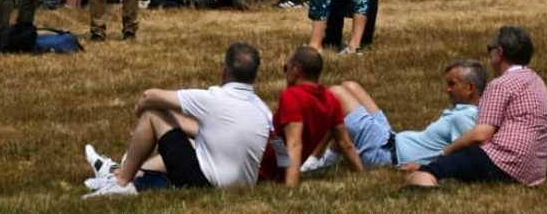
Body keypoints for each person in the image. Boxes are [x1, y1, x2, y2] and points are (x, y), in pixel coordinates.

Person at [82, 43, 272, 197]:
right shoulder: (264, 111)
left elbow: (150, 96)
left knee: (153, 114)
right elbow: (206, 132)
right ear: (254, 76)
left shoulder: (214, 98)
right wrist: (174, 122)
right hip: (239, 188)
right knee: (191, 141)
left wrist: (140, 110)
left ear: (225, 70)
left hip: (205, 184)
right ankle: (121, 173)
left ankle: (121, 182)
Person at [405, 26, 547, 189]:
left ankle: (430, 188)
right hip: (533, 174)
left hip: (502, 163)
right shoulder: (539, 83)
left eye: (490, 49)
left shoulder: (500, 85)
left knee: (422, 175)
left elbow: (480, 135)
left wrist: (443, 154)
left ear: (499, 53)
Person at [317, 60, 484, 170]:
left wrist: (422, 168)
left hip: (384, 154)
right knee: (350, 86)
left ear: (470, 88)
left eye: (452, 84)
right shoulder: (465, 112)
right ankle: (331, 157)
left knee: (336, 93)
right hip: (390, 140)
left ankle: (315, 159)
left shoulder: (464, 118)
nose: (447, 90)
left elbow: (464, 158)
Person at [258, 46, 363, 186]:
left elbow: (294, 144)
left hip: (261, 170)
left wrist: (290, 187)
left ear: (296, 70)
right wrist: (361, 175)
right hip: (280, 166)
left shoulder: (292, 96)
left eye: (286, 68)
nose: (286, 72)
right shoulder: (331, 100)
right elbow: (345, 144)